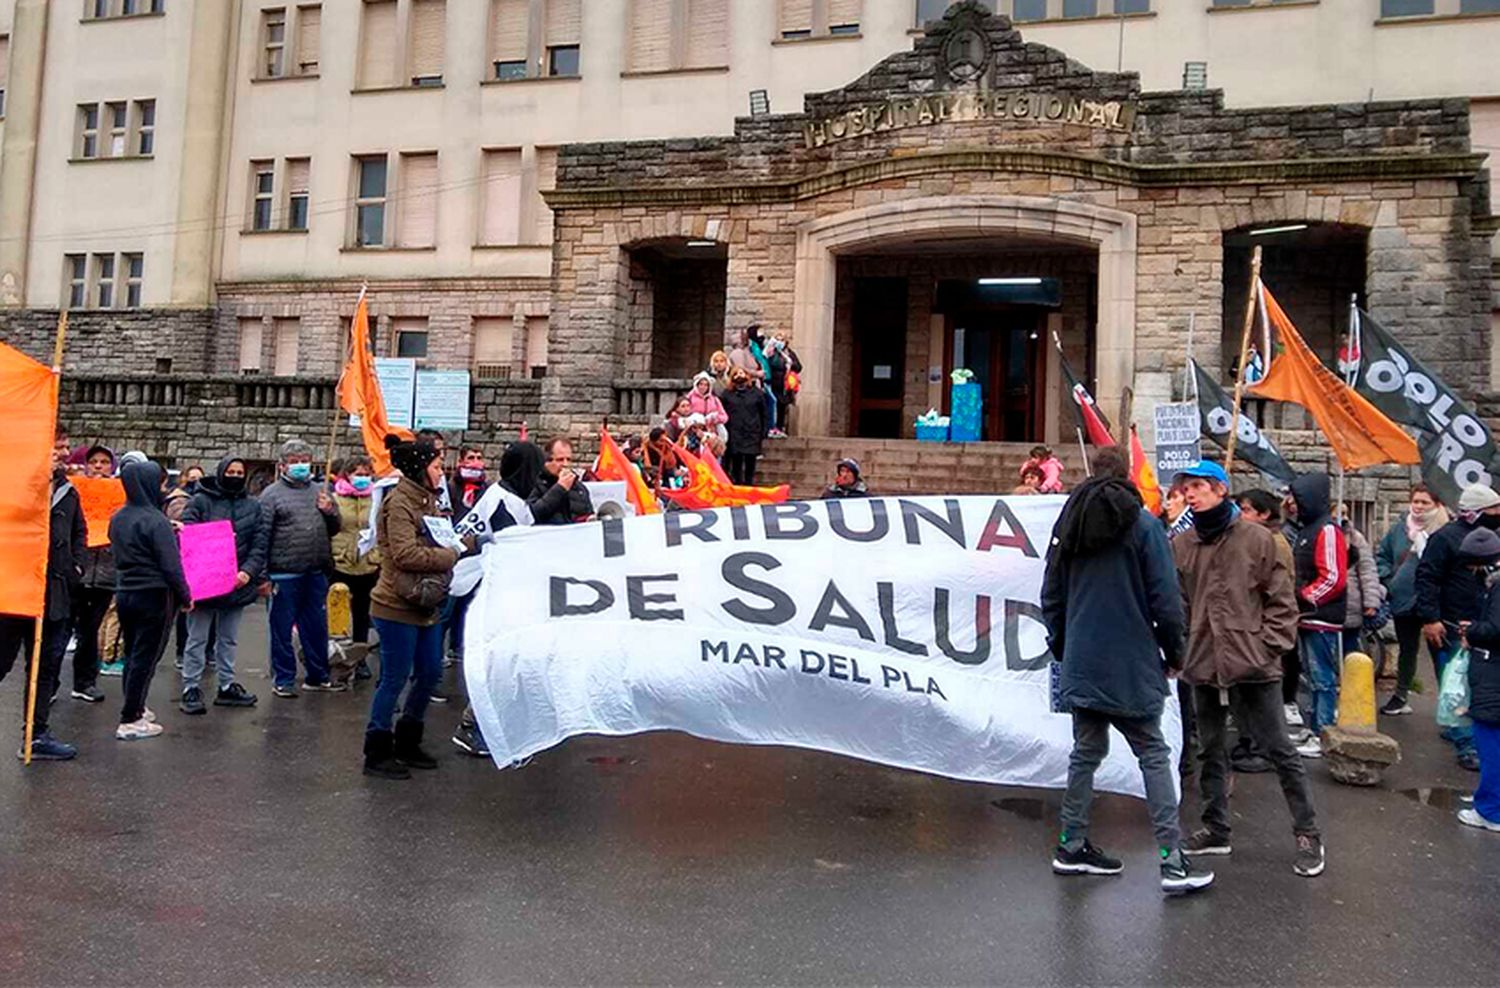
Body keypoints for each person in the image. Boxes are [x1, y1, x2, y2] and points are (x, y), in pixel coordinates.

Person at [1041, 446, 1209, 894]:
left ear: (1092, 473)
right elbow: (1166, 600)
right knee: (1153, 752)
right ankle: (1172, 860)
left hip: (1082, 656)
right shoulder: (1144, 525)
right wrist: (1175, 652)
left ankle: (1070, 844)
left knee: (1086, 751)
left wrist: (1062, 645)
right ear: (1129, 475)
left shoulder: (1069, 523)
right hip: (1131, 659)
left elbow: (1051, 593)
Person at [1173, 460, 1325, 878]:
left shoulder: (1259, 540)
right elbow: (1180, 603)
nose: (1191, 493)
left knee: (1279, 749)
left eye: (1200, 486)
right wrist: (1182, 649)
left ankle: (1308, 833)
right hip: (1203, 661)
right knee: (1209, 749)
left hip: (1253, 665)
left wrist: (1264, 650)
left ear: (1221, 490)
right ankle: (1215, 828)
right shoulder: (1183, 544)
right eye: (1187, 487)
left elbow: (1282, 602)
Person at [363, 435, 476, 780]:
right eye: (437, 466)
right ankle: (377, 749)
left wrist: (469, 543)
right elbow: (404, 554)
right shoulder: (399, 504)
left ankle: (408, 739)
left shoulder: (432, 501)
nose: (443, 472)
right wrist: (452, 554)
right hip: (396, 604)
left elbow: (443, 539)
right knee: (394, 678)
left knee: (429, 673)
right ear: (419, 468)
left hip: (427, 601)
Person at [450, 441, 544, 757]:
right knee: (497, 660)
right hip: (471, 582)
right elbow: (511, 548)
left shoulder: (507, 495)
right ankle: (473, 726)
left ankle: (491, 727)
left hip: (482, 582)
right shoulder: (503, 501)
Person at [0, 434, 87, 760]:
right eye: (57, 448)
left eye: (65, 448)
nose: (64, 454)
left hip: (55, 594)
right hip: (14, 592)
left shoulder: (68, 490)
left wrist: (75, 567)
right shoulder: (12, 484)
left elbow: (80, 531)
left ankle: (36, 734)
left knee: (45, 667)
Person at [1414, 484, 1500, 772]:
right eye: (1493, 510)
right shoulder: (1445, 539)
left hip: (1483, 626)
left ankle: (1461, 730)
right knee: (1457, 685)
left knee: (1476, 685)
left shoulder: (1493, 537)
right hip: (1451, 625)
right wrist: (1430, 618)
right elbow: (1427, 578)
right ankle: (1466, 743)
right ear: (1475, 513)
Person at [110, 459, 193, 741]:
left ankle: (135, 705)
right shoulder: (155, 520)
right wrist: (185, 595)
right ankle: (130, 718)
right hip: (155, 595)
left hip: (125, 593)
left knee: (132, 653)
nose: (165, 488)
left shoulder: (119, 517)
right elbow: (171, 566)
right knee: (146, 657)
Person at [177, 456, 265, 714]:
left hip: (237, 582)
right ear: (220, 472)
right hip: (206, 581)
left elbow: (260, 543)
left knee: (229, 639)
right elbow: (189, 536)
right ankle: (190, 687)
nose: (235, 476)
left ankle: (226, 685)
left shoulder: (253, 505)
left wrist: (247, 572)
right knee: (197, 638)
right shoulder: (200, 501)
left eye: (240, 472)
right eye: (231, 471)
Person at [259, 438, 344, 698]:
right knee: (282, 630)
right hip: (284, 574)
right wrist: (262, 576)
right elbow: (261, 537)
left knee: (316, 626)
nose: (300, 466)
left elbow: (335, 527)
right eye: (294, 462)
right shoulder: (271, 495)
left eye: (304, 461)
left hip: (316, 571)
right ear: (282, 466)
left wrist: (330, 511)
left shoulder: (321, 492)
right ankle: (283, 678)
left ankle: (318, 675)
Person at [1286, 473, 1348, 759]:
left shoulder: (1327, 531)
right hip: (1308, 617)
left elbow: (1334, 577)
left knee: (1323, 678)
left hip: (1322, 617)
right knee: (1311, 677)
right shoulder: (1308, 530)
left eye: (1298, 499)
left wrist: (1305, 598)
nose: (1293, 505)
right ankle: (1313, 727)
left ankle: (1325, 730)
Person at [1376, 485, 1449, 716]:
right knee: (1407, 649)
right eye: (1415, 501)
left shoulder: (1445, 531)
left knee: (1440, 652)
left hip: (1436, 602)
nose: (1418, 506)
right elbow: (1382, 557)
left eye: (1424, 502)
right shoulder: (1400, 529)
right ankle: (1400, 695)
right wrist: (1391, 580)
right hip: (1404, 599)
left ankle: (1446, 701)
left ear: (1436, 505)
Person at [1456, 528, 1500, 832]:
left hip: (1493, 674)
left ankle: (1490, 811)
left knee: (1491, 743)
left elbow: (1496, 629)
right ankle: (1489, 800)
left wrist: (1471, 631)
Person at [71, 444, 121, 698]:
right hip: (76, 573)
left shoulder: (120, 495)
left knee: (91, 631)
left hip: (105, 574)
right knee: (63, 630)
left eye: (104, 462)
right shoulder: (72, 491)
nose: (99, 467)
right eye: (94, 462)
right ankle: (51, 685)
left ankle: (84, 682)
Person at [331, 456, 381, 673]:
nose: (362, 478)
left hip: (368, 562)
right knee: (337, 611)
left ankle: (360, 658)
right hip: (340, 561)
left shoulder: (376, 498)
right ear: (347, 475)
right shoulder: (334, 498)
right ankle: (336, 654)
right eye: (358, 474)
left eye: (366, 474)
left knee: (362, 613)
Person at [1338, 505, 1385, 662]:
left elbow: (1367, 570)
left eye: (1345, 513)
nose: (1343, 517)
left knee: (1350, 653)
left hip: (1351, 604)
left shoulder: (1355, 538)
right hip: (1327, 606)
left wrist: (1371, 601)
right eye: (1338, 513)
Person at [530, 437, 592, 524]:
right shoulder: (534, 484)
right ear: (547, 462)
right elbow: (532, 514)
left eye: (569, 460)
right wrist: (559, 489)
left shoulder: (579, 488)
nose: (565, 464)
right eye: (560, 460)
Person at [721, 367, 766, 486]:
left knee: (750, 462)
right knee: (736, 462)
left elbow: (764, 413)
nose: (739, 376)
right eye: (736, 374)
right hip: (734, 432)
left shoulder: (757, 393)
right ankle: (738, 483)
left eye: (742, 373)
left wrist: (764, 431)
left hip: (752, 431)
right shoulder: (727, 394)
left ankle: (749, 484)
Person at [766, 333, 801, 438]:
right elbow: (770, 363)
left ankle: (780, 427)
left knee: (782, 407)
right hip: (774, 383)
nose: (780, 342)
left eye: (782, 340)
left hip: (785, 385)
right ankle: (772, 427)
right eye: (778, 340)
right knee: (774, 405)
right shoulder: (772, 352)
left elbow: (798, 367)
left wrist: (791, 364)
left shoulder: (789, 353)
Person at [452, 446, 487, 513]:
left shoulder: (487, 488)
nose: (475, 462)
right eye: (471, 458)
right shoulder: (451, 487)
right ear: (461, 462)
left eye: (479, 458)